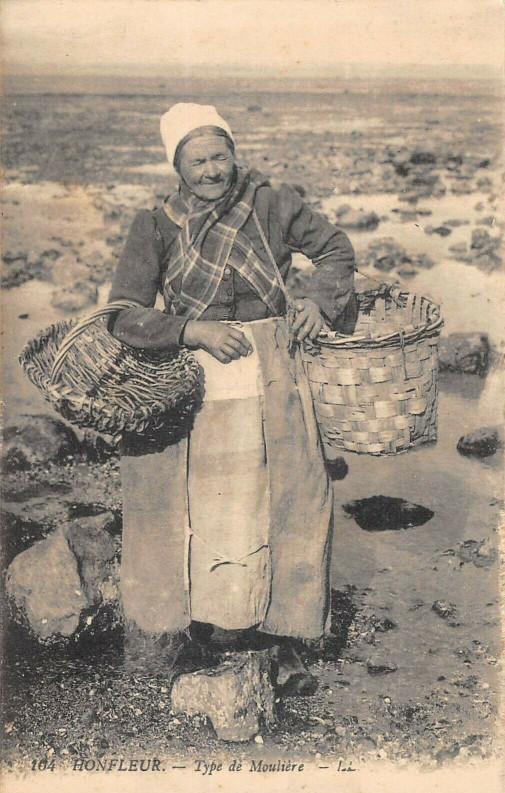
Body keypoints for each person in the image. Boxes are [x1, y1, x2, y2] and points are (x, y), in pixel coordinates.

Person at [108, 103, 356, 694]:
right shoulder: (155, 224)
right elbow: (122, 313)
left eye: (220, 156)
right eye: (197, 162)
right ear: (177, 166)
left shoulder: (271, 202)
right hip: (197, 380)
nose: (212, 171)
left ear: (234, 154)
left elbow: (336, 249)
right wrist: (192, 331)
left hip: (275, 373)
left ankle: (283, 633)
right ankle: (203, 629)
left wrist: (318, 302)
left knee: (285, 498)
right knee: (207, 506)